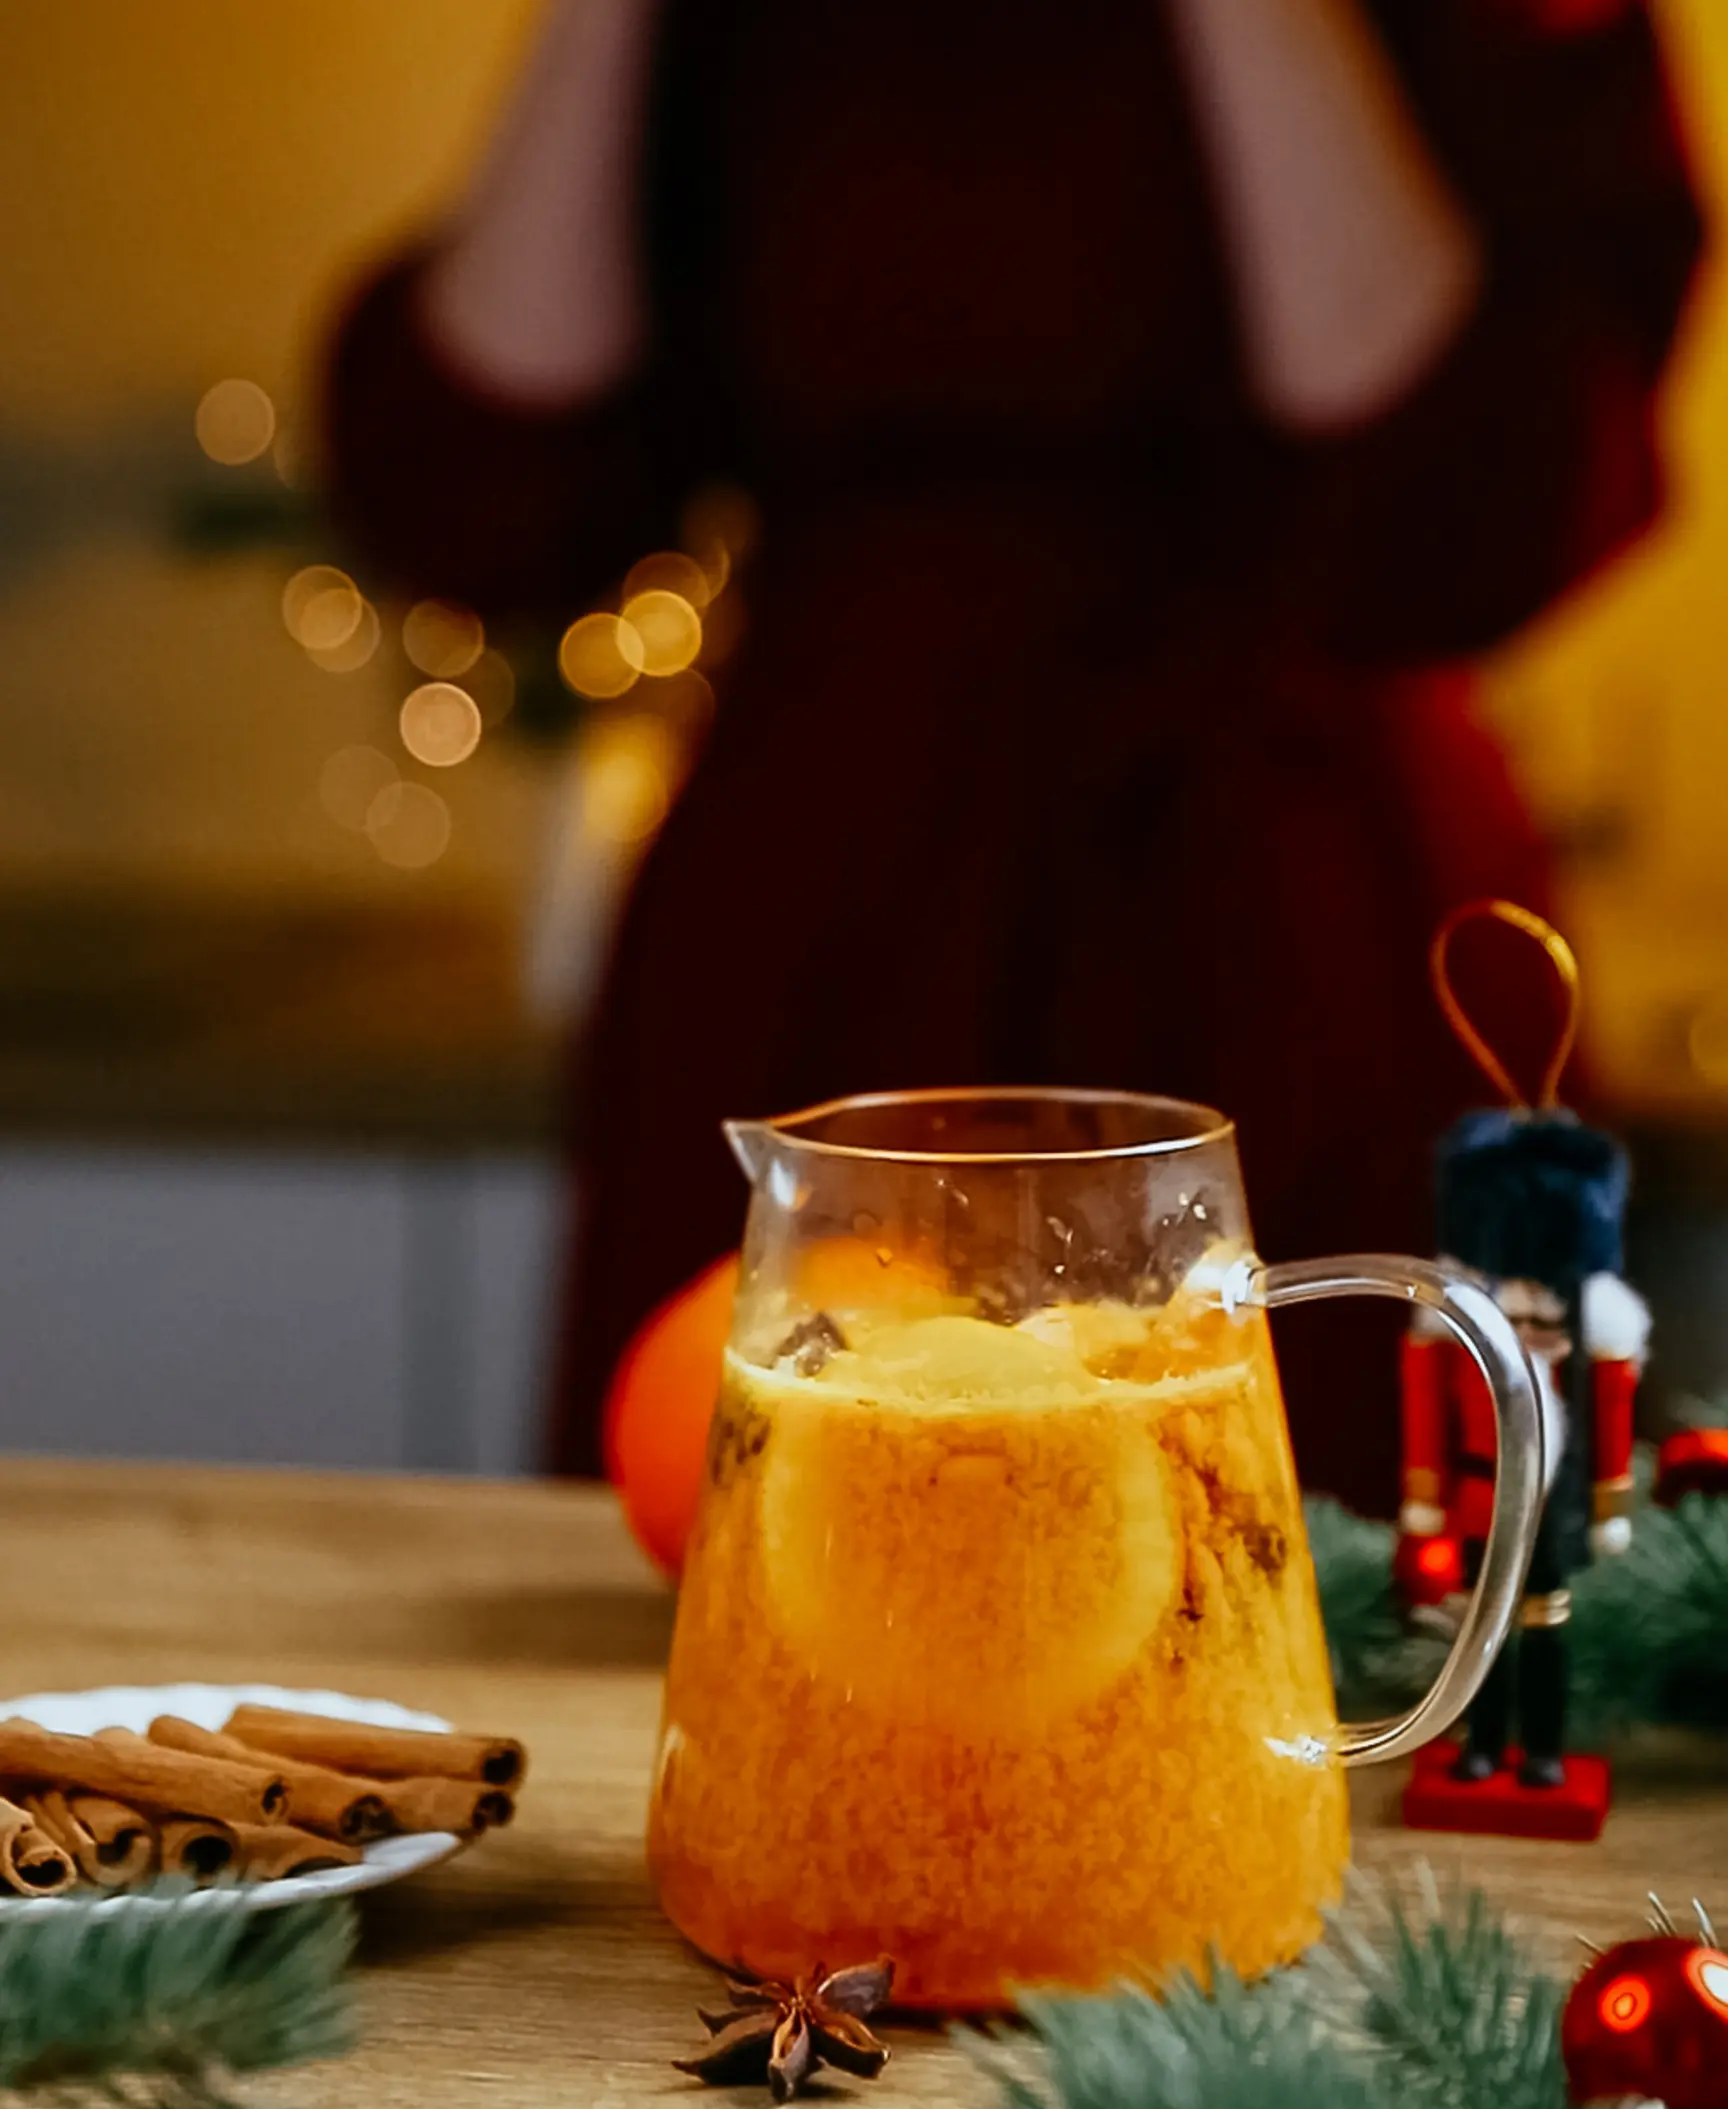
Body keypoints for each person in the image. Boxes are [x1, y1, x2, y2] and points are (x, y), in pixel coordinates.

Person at [325, 0, 1702, 1503]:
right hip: (822, 920)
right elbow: (478, 490)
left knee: (1326, 1604)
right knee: (765, 1583)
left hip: (1293, 927)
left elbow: (1464, 498)